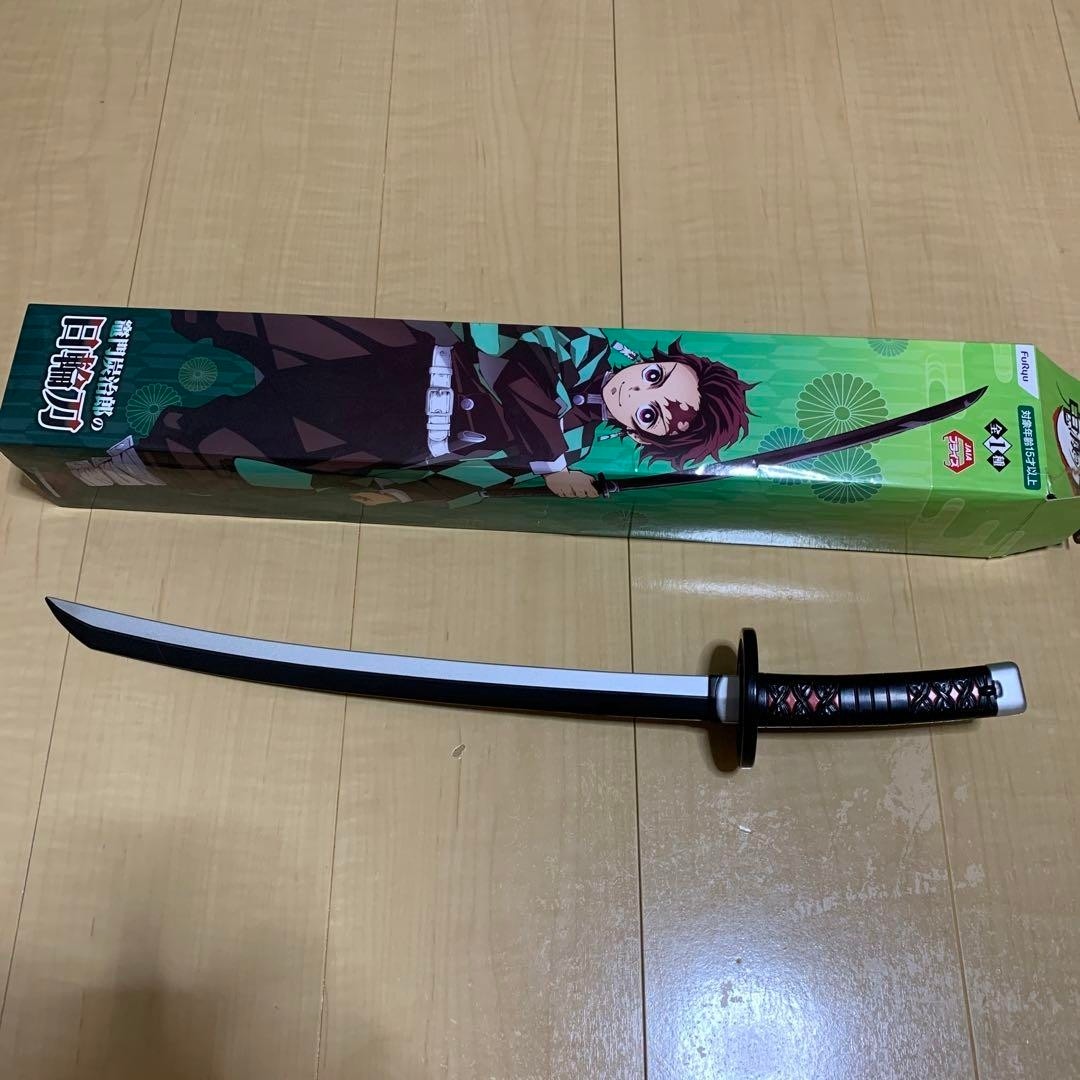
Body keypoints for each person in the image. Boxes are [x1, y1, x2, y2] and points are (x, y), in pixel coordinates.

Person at [73, 311, 755, 502]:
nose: (639, 394)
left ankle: (145, 455)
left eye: (653, 415)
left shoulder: (579, 449)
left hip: (404, 433)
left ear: (646, 438)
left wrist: (409, 493)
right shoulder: (587, 347)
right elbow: (526, 371)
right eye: (657, 378)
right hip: (406, 361)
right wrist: (551, 464)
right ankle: (151, 333)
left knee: (256, 430)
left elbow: (488, 476)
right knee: (261, 333)